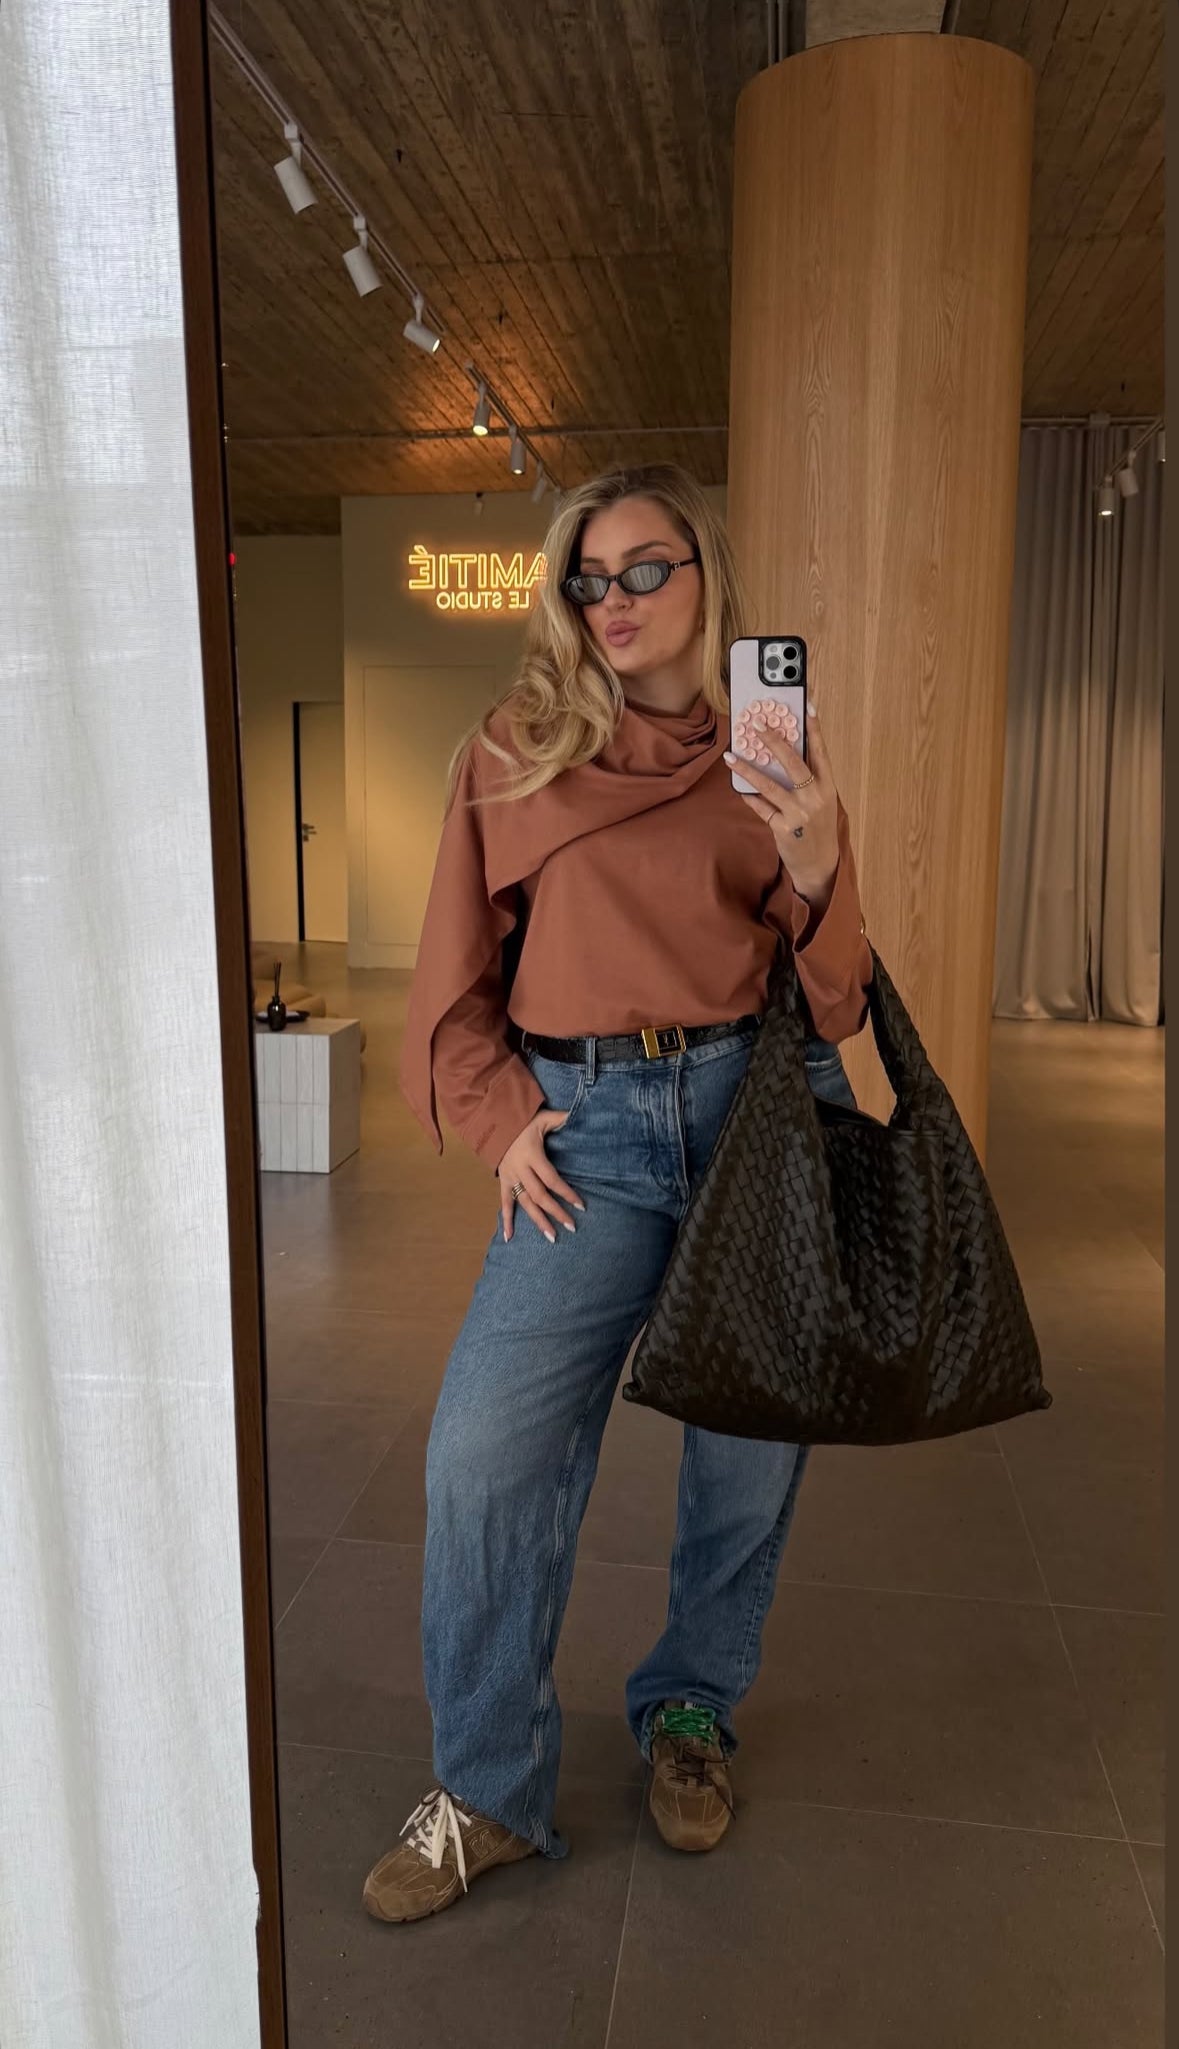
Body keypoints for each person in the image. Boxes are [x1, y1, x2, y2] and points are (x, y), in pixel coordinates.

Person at [363, 465, 872, 1924]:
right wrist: (501, 1118)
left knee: (748, 1451)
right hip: (585, 1137)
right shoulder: (515, 750)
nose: (617, 601)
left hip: (752, 1117)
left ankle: (692, 1710)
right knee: (483, 1454)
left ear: (707, 575)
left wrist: (821, 865)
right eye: (590, 580)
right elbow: (457, 974)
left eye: (648, 569)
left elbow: (836, 1000)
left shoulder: (769, 758)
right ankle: (486, 1786)